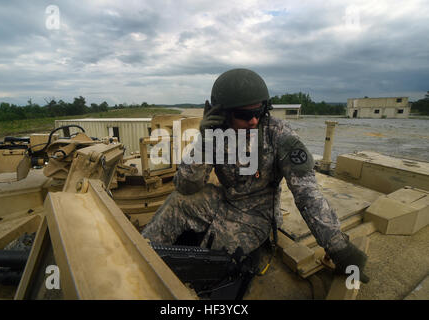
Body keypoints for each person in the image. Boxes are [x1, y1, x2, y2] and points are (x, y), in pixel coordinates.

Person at [142, 68, 369, 283]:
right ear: (223, 114)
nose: (253, 120)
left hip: (256, 214)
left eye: (258, 112)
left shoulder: (279, 135)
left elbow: (307, 195)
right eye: (244, 114)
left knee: (210, 262)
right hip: (226, 200)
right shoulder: (216, 133)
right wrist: (204, 142)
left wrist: (339, 249)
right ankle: (138, 255)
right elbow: (186, 187)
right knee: (178, 202)